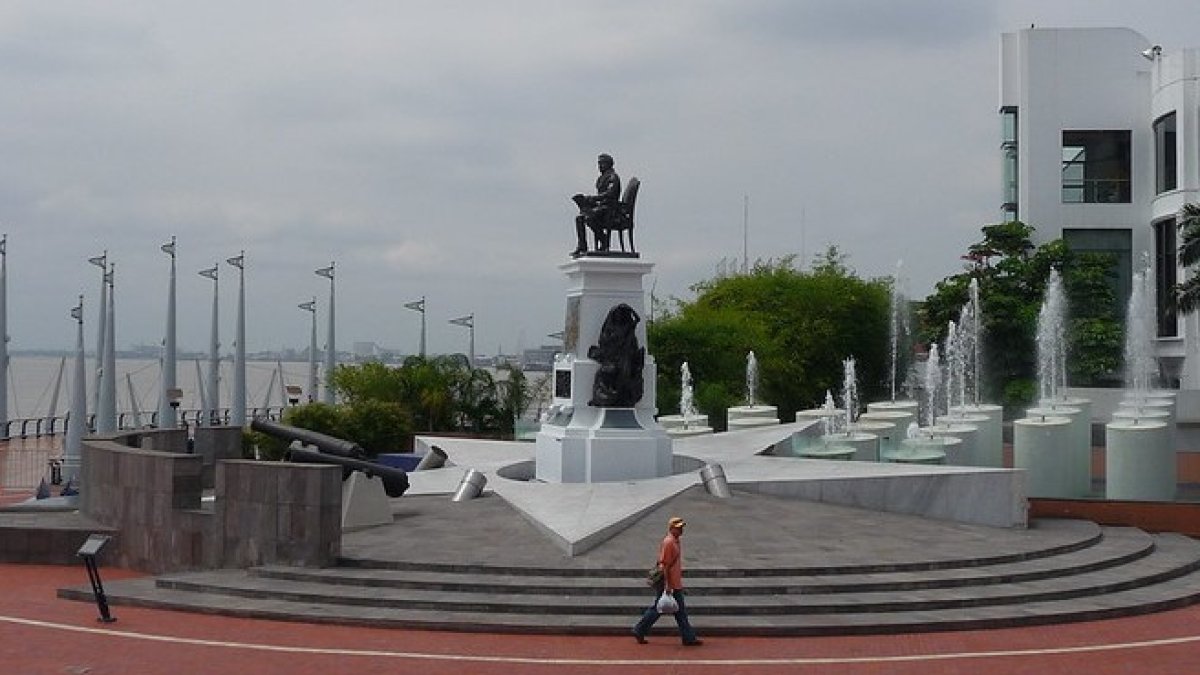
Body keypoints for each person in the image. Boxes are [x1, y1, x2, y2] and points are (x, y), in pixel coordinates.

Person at [632, 516, 702, 646]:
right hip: (670, 583)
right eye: (678, 528)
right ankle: (640, 629)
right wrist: (668, 585)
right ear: (671, 528)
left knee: (672, 610)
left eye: (681, 527)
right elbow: (665, 565)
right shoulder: (669, 542)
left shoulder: (675, 541)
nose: (681, 530)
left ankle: (688, 637)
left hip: (674, 582)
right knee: (665, 610)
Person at [571, 153, 621, 256]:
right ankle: (582, 245)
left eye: (602, 163)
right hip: (601, 206)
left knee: (590, 217)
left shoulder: (613, 177)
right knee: (580, 218)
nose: (600, 166)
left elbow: (610, 193)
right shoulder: (601, 178)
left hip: (610, 208)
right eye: (599, 164)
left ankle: (603, 240)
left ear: (609, 164)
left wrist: (594, 198)